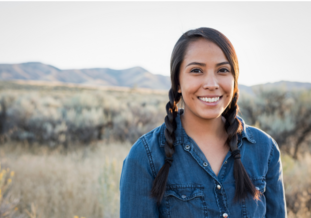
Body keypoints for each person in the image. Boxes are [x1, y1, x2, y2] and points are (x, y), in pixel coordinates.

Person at [119, 27, 287, 218]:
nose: (211, 83)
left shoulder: (265, 149)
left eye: (223, 70)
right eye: (196, 70)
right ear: (178, 82)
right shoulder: (145, 156)